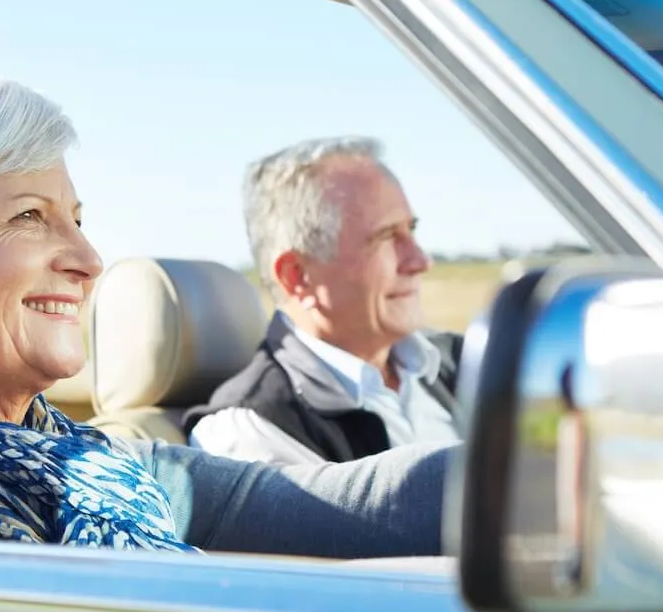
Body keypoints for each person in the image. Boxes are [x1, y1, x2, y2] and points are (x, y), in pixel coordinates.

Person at [0, 75, 453, 557]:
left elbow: (354, 507)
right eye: (28, 216)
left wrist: (542, 470)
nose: (88, 257)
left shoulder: (100, 471)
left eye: (76, 218)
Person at [185, 137, 464, 465]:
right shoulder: (250, 435)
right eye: (387, 237)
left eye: (411, 231)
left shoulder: (458, 363)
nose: (420, 261)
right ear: (297, 276)